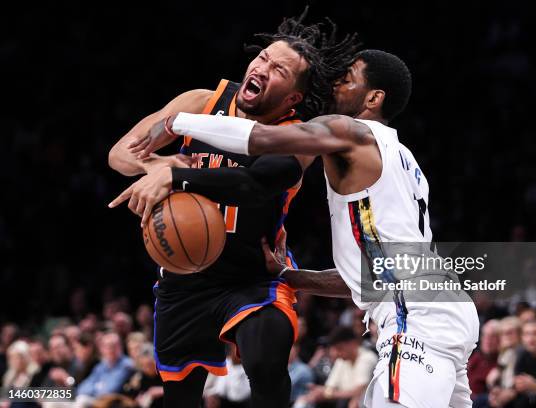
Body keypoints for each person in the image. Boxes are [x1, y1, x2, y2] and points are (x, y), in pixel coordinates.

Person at [131, 49, 480, 407]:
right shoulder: (404, 160)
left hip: (416, 315)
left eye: (347, 80)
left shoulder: (350, 131)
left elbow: (263, 139)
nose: (334, 86)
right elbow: (368, 278)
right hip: (447, 309)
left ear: (374, 98)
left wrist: (179, 123)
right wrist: (291, 276)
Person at [108, 10, 359, 408]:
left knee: (265, 358)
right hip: (184, 278)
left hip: (252, 274)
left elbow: (253, 186)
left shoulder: (298, 136)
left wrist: (177, 178)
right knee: (179, 398)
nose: (262, 67)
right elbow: (119, 153)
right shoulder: (200, 102)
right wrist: (157, 165)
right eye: (263, 58)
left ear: (293, 97)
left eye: (278, 69)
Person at [297, 326, 377, 407]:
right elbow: (330, 387)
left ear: (352, 343)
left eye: (339, 348)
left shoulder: (367, 358)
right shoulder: (341, 360)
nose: (336, 353)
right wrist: (319, 392)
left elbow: (359, 391)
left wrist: (328, 393)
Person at [76, 332, 134, 405]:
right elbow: (82, 388)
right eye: (107, 346)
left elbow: (110, 390)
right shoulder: (101, 366)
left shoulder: (127, 365)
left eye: (113, 346)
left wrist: (96, 387)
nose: (110, 349)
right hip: (97, 400)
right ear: (102, 349)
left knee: (82, 401)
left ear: (120, 346)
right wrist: (97, 388)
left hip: (115, 403)